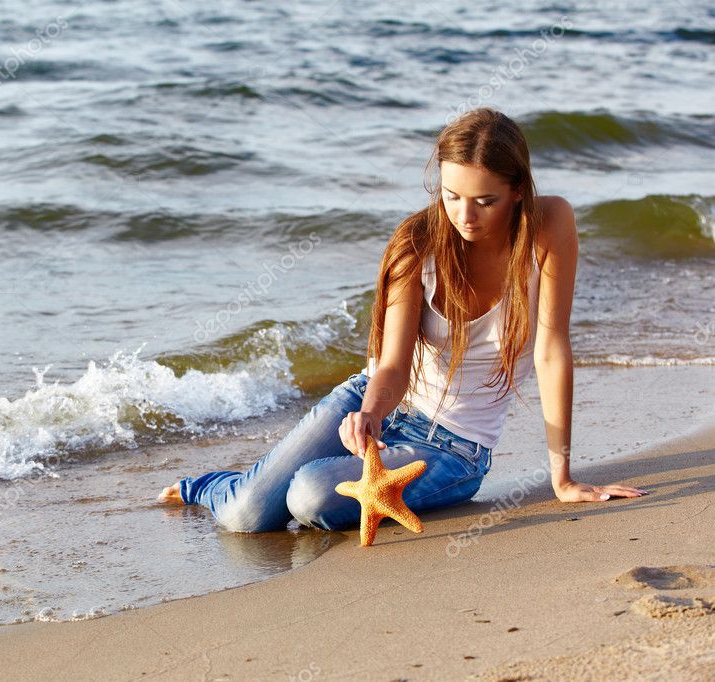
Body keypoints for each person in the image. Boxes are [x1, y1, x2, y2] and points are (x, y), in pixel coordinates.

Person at [157, 108, 648, 533]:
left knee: (308, 496)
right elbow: (391, 366)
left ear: (518, 190)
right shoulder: (417, 243)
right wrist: (369, 412)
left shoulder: (550, 225)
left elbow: (551, 350)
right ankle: (212, 485)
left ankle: (279, 482)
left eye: (485, 201)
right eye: (452, 195)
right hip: (377, 404)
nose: (464, 215)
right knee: (246, 516)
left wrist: (560, 476)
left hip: (456, 448)